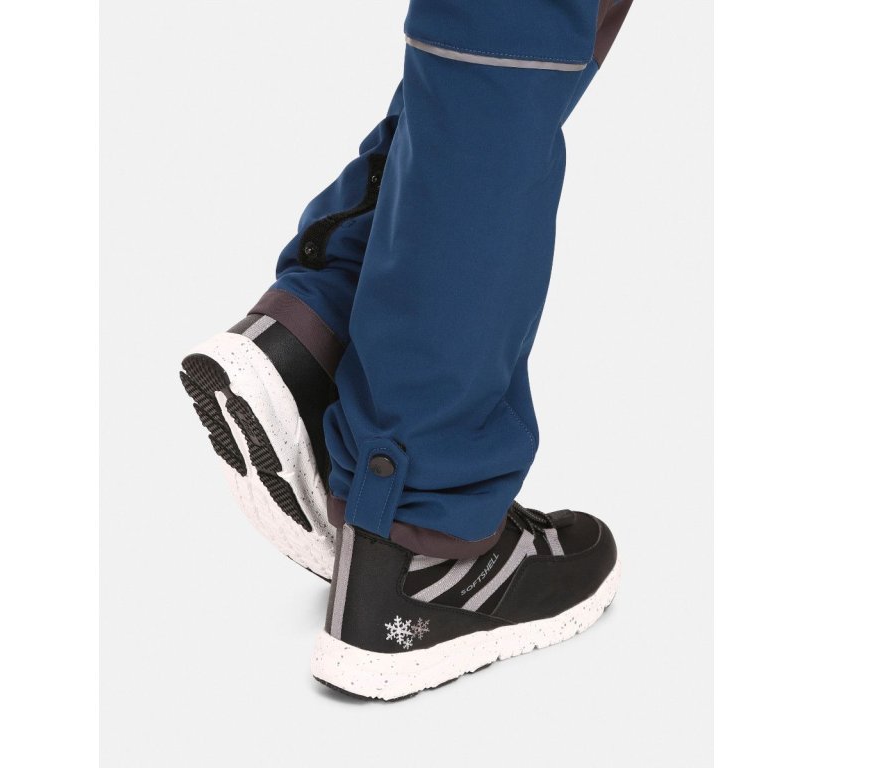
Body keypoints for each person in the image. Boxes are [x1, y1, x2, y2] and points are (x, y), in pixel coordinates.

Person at [180, 0, 633, 700]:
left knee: (521, 38)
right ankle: (421, 530)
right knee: (516, 27)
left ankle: (321, 337)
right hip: (419, 510)